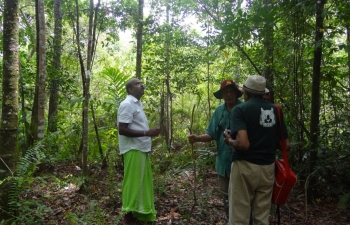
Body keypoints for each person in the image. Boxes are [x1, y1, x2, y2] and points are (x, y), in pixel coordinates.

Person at [223, 75, 289, 225]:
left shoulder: (240, 109)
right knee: (261, 217)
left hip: (245, 168)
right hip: (268, 169)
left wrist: (229, 141)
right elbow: (285, 144)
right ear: (262, 93)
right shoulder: (275, 109)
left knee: (239, 216)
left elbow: (244, 144)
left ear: (246, 93)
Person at [188, 79, 243, 218]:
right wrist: (198, 138)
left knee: (241, 196)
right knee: (226, 196)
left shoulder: (243, 109)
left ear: (236, 93)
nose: (229, 95)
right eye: (226, 92)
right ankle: (229, 219)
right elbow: (211, 133)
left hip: (243, 161)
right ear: (222, 95)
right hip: (224, 161)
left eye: (231, 92)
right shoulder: (219, 111)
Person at [117, 78, 160, 224]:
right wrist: (147, 133)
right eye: (137, 84)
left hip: (140, 148)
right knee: (133, 182)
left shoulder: (137, 105)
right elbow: (122, 129)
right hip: (133, 148)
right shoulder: (127, 104)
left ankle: (138, 213)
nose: (141, 85)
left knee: (141, 181)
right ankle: (128, 216)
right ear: (130, 90)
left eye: (141, 83)